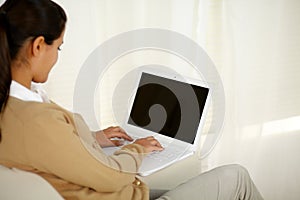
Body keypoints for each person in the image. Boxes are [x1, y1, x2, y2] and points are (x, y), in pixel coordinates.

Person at [0, 0, 264, 199]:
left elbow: (50, 151)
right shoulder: (34, 120)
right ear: (37, 46)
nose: (57, 56)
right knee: (236, 177)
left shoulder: (13, 106)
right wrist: (138, 148)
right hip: (118, 193)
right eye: (58, 47)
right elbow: (112, 177)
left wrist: (94, 138)